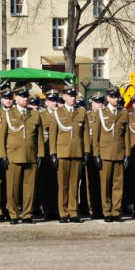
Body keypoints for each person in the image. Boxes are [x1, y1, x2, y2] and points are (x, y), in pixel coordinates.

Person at [0, 89, 44, 224]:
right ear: (16, 98)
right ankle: (13, 214)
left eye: (26, 96)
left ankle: (27, 214)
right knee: (13, 187)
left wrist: (40, 154)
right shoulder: (8, 114)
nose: (25, 99)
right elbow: (1, 137)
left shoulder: (34, 114)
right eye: (22, 96)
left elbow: (39, 137)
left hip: (30, 155)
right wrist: (3, 155)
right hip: (13, 155)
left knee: (29, 187)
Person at [91, 90, 130, 222]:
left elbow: (126, 136)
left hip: (119, 153)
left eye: (117, 97)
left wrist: (127, 154)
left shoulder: (123, 113)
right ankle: (107, 212)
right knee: (105, 185)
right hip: (105, 154)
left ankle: (116, 211)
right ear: (107, 98)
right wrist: (96, 154)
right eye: (113, 97)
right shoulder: (101, 113)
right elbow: (95, 136)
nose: (116, 99)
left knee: (118, 185)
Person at [50, 90, 89, 223]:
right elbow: (53, 135)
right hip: (63, 153)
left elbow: (85, 134)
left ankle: (73, 212)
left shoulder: (81, 112)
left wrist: (86, 151)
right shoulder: (58, 112)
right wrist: (53, 154)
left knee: (74, 184)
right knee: (63, 185)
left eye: (74, 96)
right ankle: (63, 212)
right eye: (70, 96)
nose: (72, 98)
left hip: (77, 152)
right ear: (64, 97)